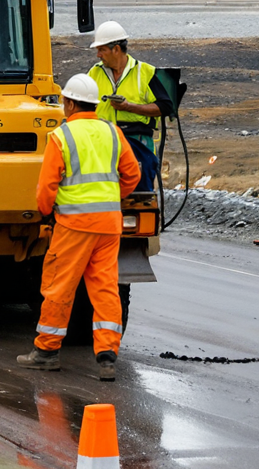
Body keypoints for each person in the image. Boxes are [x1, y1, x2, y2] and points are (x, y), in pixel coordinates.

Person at [18, 73, 140, 380]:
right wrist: (112, 198)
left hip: (74, 224)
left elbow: (47, 187)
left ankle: (46, 351)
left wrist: (46, 211)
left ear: (69, 103)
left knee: (60, 286)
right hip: (109, 223)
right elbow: (131, 175)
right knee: (105, 289)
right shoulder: (112, 132)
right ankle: (107, 356)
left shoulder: (61, 136)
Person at [87, 21, 173, 193]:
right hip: (102, 143)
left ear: (116, 49)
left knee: (139, 195)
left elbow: (165, 106)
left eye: (101, 50)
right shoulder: (94, 73)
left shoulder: (145, 72)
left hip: (136, 143)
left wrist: (129, 107)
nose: (98, 55)